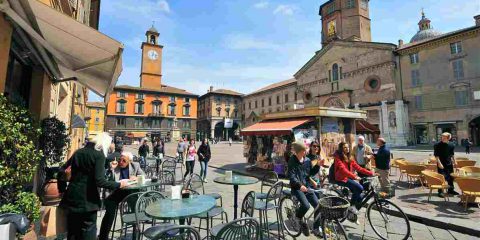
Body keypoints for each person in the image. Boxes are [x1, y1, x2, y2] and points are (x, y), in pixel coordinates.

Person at [60, 133, 127, 240]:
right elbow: (100, 181)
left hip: (72, 197)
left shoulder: (78, 152)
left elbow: (62, 171)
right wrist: (119, 184)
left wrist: (62, 189)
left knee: (73, 232)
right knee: (88, 232)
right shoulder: (99, 155)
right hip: (88, 200)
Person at [98, 151, 145, 240]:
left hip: (131, 191)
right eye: (120, 160)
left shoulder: (135, 165)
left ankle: (136, 232)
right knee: (110, 210)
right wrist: (111, 169)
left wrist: (136, 177)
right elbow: (105, 180)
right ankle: (103, 236)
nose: (121, 162)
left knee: (135, 210)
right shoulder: (115, 166)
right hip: (117, 191)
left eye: (124, 160)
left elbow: (143, 175)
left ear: (129, 161)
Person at [288, 141, 323, 237]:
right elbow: (292, 176)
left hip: (306, 187)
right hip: (297, 188)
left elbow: (309, 173)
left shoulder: (307, 160)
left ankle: (316, 228)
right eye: (304, 150)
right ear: (298, 151)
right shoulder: (292, 160)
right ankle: (297, 217)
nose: (306, 152)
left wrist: (317, 166)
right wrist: (300, 186)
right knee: (306, 206)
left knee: (318, 206)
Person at [334, 142, 373, 213]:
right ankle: (351, 207)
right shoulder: (338, 157)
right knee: (359, 188)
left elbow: (359, 168)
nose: (347, 149)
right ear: (341, 149)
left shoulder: (349, 158)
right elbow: (343, 170)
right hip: (341, 178)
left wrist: (371, 173)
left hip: (348, 177)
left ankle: (352, 214)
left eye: (348, 147)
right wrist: (354, 176)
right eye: (345, 147)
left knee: (360, 195)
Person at [434, 132, 458, 197]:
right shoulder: (437, 145)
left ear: (448, 138)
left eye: (444, 137)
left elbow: (452, 154)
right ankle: (440, 191)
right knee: (441, 177)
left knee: (451, 177)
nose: (442, 138)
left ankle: (451, 190)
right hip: (441, 163)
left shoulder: (452, 145)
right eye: (442, 137)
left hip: (449, 163)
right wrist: (439, 163)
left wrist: (454, 161)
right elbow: (436, 155)